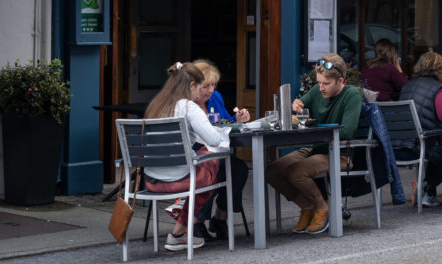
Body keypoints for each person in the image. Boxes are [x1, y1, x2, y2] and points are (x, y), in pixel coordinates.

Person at [265, 54, 362, 235]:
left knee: (296, 172)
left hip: (338, 153)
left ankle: (322, 207)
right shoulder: (318, 90)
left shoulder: (351, 95)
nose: (321, 87)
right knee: (272, 171)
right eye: (319, 82)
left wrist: (315, 132)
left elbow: (347, 132)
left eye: (326, 83)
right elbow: (299, 109)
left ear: (340, 80)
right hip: (313, 148)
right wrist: (296, 106)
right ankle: (307, 206)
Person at [143, 62, 231, 252]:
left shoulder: (156, 105)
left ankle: (180, 226)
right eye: (200, 88)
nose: (200, 93)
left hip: (151, 180)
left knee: (202, 163)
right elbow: (214, 139)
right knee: (213, 162)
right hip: (179, 179)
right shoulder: (188, 106)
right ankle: (178, 233)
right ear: (191, 85)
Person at [191, 59, 251, 240]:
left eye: (213, 85)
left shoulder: (215, 97)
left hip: (217, 153)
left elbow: (225, 122)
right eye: (206, 86)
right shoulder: (186, 105)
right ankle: (196, 223)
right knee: (212, 169)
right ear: (193, 86)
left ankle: (220, 218)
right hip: (195, 156)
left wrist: (238, 119)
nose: (210, 90)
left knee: (238, 168)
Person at [397, 51, 442, 207]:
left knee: (441, 145)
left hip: (400, 143)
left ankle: (426, 189)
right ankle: (427, 187)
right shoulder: (437, 89)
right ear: (441, 71)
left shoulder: (407, 86)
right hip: (421, 143)